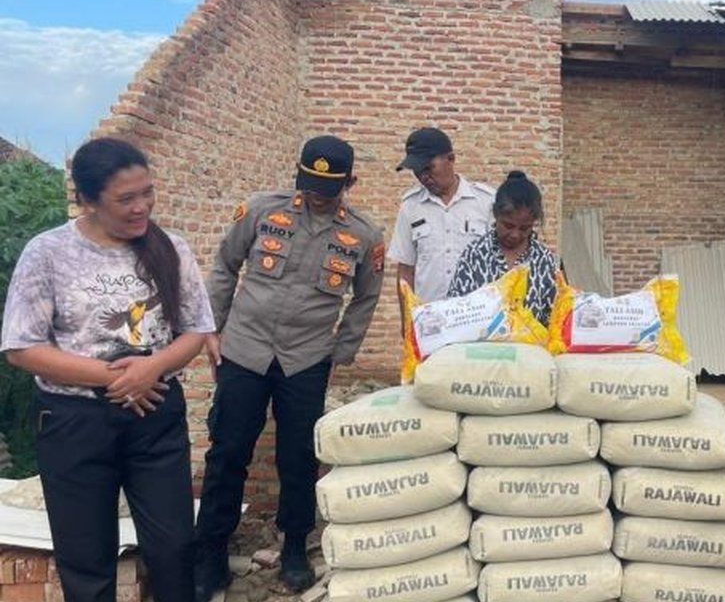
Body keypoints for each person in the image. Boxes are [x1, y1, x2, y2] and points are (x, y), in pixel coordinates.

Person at [1, 137, 215, 602]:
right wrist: (116, 378)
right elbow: (21, 347)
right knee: (86, 557)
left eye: (148, 193)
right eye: (126, 199)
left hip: (155, 417)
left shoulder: (171, 248)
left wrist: (152, 367)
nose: (142, 207)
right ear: (88, 199)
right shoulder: (48, 252)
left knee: (174, 547)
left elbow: (197, 331)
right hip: (74, 422)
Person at [193, 135, 384, 599]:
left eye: (328, 187)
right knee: (227, 451)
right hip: (245, 350)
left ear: (349, 183)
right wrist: (211, 330)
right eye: (310, 183)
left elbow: (366, 296)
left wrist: (342, 352)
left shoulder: (363, 234)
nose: (317, 194)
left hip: (306, 357)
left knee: (298, 457)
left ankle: (295, 545)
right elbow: (224, 266)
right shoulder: (262, 210)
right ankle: (212, 552)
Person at [388, 127, 494, 314]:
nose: (423, 177)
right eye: (417, 171)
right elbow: (406, 271)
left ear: (451, 159)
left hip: (478, 318)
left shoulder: (486, 202)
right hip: (430, 320)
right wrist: (407, 322)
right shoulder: (411, 206)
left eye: (428, 168)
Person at [447, 170, 559, 326]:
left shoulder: (543, 259)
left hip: (531, 349)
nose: (515, 235)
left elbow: (555, 318)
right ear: (495, 214)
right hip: (479, 349)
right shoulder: (475, 255)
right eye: (508, 225)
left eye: (524, 228)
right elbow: (454, 311)